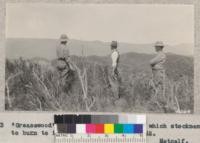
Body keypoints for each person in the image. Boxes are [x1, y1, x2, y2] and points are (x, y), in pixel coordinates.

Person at [150, 41, 167, 109]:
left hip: (158, 72)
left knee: (156, 87)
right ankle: (158, 103)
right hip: (157, 72)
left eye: (156, 46)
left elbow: (151, 62)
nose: (155, 48)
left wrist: (152, 63)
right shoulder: (160, 54)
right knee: (157, 87)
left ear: (159, 47)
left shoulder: (160, 55)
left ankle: (158, 104)